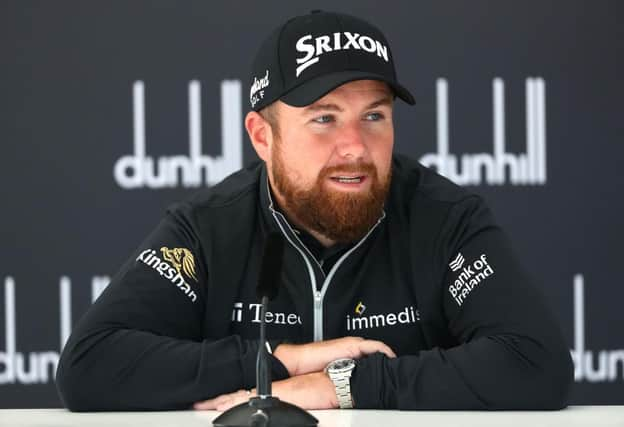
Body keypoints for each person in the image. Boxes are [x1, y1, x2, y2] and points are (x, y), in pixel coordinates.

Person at [56, 10, 573, 411]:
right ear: (263, 136)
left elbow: (536, 362)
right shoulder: (210, 226)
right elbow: (90, 365)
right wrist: (281, 363)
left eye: (374, 115)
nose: (354, 147)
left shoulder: (444, 218)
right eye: (324, 118)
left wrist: (340, 385)